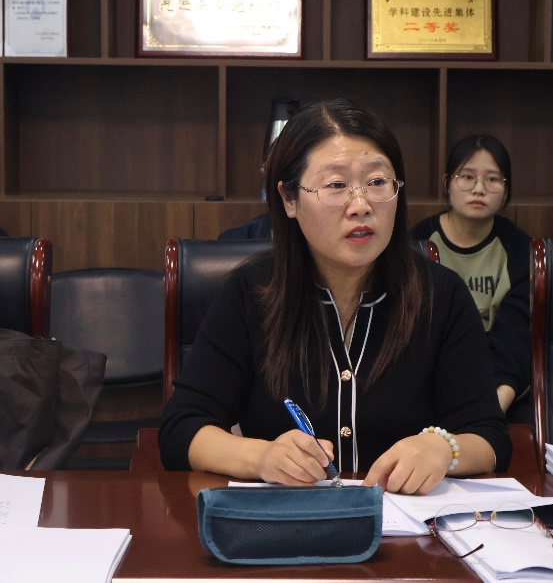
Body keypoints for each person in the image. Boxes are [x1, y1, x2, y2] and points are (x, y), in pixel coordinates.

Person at [159, 99, 511, 494]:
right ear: (289, 199)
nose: (361, 206)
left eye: (377, 182)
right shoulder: (250, 294)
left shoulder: (441, 296)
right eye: (336, 185)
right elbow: (181, 429)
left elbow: (489, 437)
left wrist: (443, 449)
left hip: (407, 524)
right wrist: (260, 457)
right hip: (290, 521)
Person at [410, 135, 531, 415]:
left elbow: (514, 340)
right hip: (432, 380)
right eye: (467, 177)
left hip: (498, 381)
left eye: (492, 179)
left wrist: (492, 412)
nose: (479, 189)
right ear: (446, 183)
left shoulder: (519, 248)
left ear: (506, 190)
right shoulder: (418, 242)